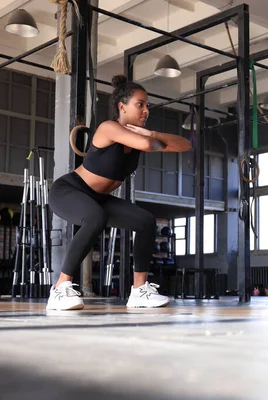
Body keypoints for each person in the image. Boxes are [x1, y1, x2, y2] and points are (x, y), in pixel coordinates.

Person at [47, 75, 192, 311]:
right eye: (140, 104)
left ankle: (139, 291)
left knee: (145, 220)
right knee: (95, 217)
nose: (146, 111)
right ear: (122, 106)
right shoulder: (109, 128)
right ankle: (60, 289)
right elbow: (148, 146)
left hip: (98, 198)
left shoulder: (142, 135)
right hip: (69, 190)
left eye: (147, 106)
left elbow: (186, 145)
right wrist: (150, 139)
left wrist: (153, 134)